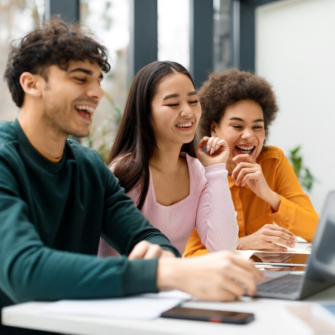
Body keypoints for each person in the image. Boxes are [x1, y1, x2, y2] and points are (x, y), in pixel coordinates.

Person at [0, 20, 263, 335]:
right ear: (31, 84)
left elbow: (148, 238)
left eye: (98, 80)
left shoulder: (88, 166)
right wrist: (160, 273)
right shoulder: (6, 159)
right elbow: (23, 270)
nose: (96, 93)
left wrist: (165, 261)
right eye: (81, 79)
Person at [98, 60, 238, 258]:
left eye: (193, 101)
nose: (188, 112)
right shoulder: (125, 174)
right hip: (126, 286)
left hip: (169, 285)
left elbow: (224, 247)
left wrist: (215, 170)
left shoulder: (197, 171)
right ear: (145, 113)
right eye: (173, 104)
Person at [184, 69, 319, 257]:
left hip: (268, 277)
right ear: (214, 128)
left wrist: (269, 195)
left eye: (257, 127)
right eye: (237, 126)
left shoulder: (273, 161)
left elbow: (317, 232)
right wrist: (241, 244)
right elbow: (192, 255)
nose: (249, 136)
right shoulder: (196, 173)